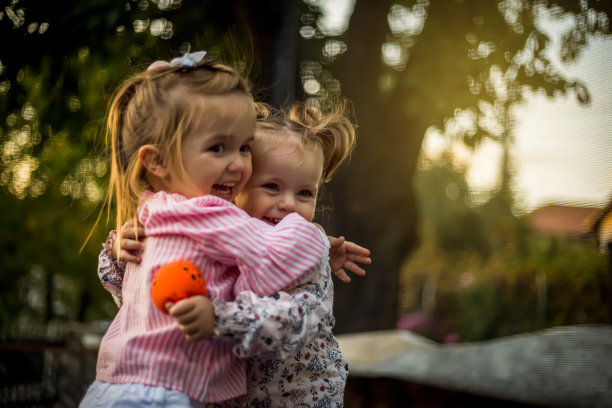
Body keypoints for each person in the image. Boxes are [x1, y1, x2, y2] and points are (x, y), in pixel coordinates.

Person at [80, 52, 332, 407]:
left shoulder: (156, 207)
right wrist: (315, 241)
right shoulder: (211, 215)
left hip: (114, 383)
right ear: (157, 161)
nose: (236, 163)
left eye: (244, 148)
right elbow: (277, 255)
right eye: (218, 148)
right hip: (164, 388)